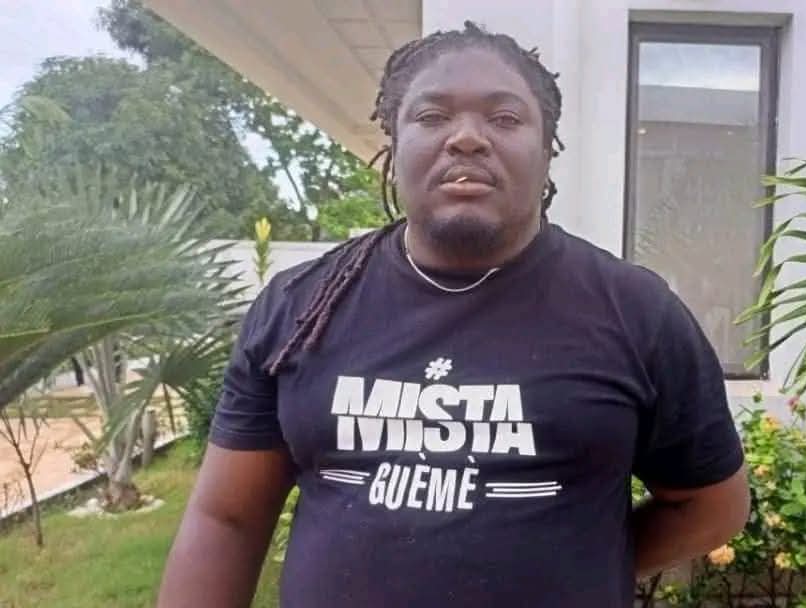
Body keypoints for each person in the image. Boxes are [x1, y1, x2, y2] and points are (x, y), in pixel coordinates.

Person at [158, 21, 750, 608]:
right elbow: (227, 518)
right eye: (432, 116)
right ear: (393, 146)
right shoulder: (300, 307)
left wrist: (592, 563)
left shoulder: (636, 312)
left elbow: (712, 506)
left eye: (505, 118)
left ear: (547, 151)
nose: (467, 138)